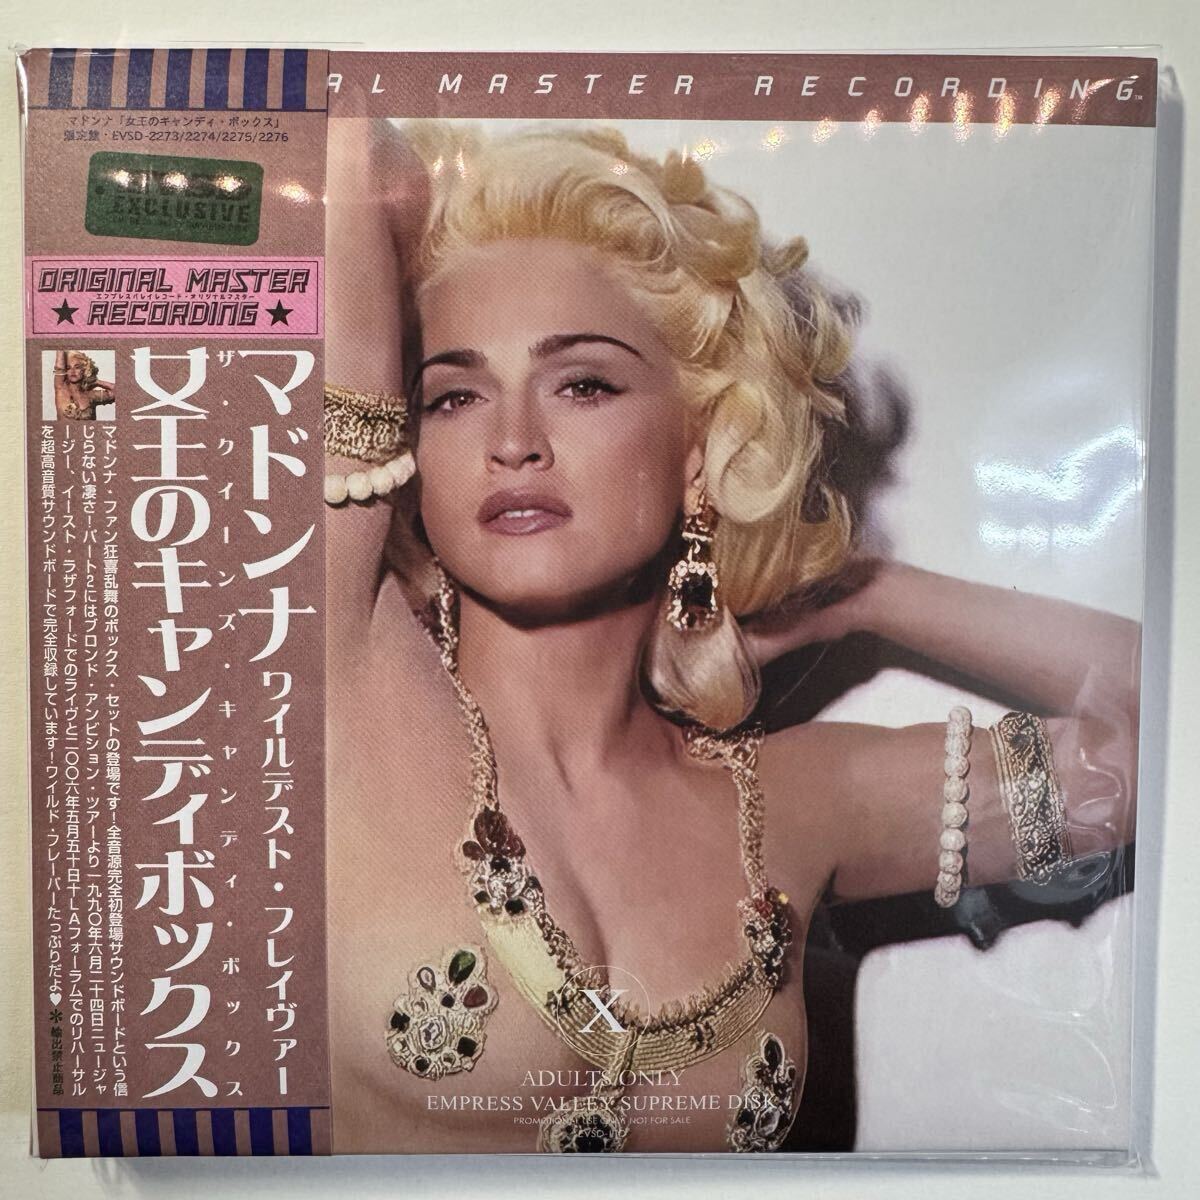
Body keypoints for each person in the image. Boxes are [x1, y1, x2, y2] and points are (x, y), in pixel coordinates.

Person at [322, 117, 1141, 1154]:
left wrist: (862, 593)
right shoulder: (344, 673)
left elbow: (1158, 748)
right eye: (453, 396)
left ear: (701, 448)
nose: (514, 441)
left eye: (583, 384)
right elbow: (339, 151)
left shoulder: (796, 804)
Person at [51, 349, 114, 420]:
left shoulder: (91, 395)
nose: (72, 371)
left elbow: (119, 392)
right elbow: (59, 367)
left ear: (85, 370)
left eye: (77, 367)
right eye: (68, 368)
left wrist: (96, 382)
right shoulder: (61, 389)